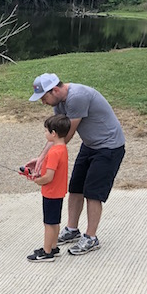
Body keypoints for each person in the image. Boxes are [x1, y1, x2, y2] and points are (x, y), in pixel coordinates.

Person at [26, 73, 125, 255]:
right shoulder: (59, 102)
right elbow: (58, 133)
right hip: (90, 145)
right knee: (76, 188)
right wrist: (40, 159)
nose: (43, 103)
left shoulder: (77, 97)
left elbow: (65, 137)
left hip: (109, 147)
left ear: (55, 90)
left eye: (44, 97)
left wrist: (45, 163)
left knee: (93, 193)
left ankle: (91, 237)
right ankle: (72, 230)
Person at [26, 114, 70, 262]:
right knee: (55, 221)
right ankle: (53, 246)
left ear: (53, 133)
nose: (45, 133)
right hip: (58, 191)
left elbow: (49, 177)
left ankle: (46, 252)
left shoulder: (53, 152)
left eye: (46, 131)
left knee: (49, 223)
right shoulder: (62, 148)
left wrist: (37, 180)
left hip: (51, 192)